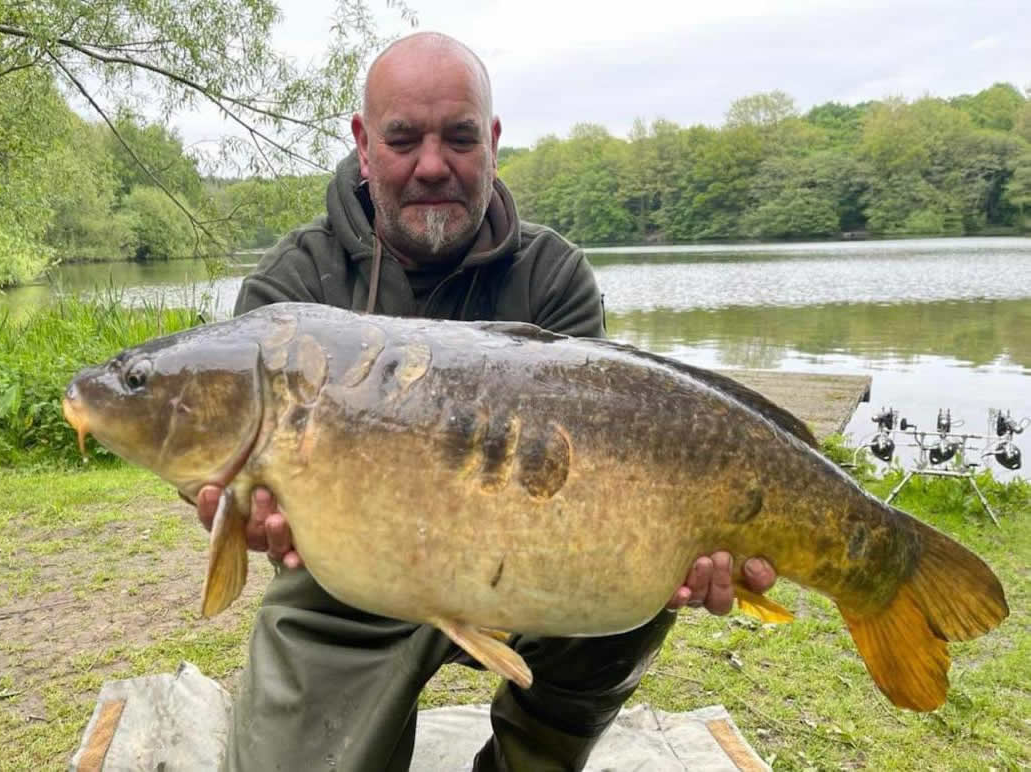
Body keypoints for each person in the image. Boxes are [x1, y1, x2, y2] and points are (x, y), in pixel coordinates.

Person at [195, 31, 777, 772]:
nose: (432, 165)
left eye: (460, 138)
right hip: (348, 586)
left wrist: (672, 545)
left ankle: (528, 761)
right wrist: (236, 507)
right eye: (402, 139)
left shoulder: (553, 276)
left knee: (632, 598)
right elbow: (229, 477)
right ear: (363, 144)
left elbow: (603, 464)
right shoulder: (289, 290)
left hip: (529, 571)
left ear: (493, 141)